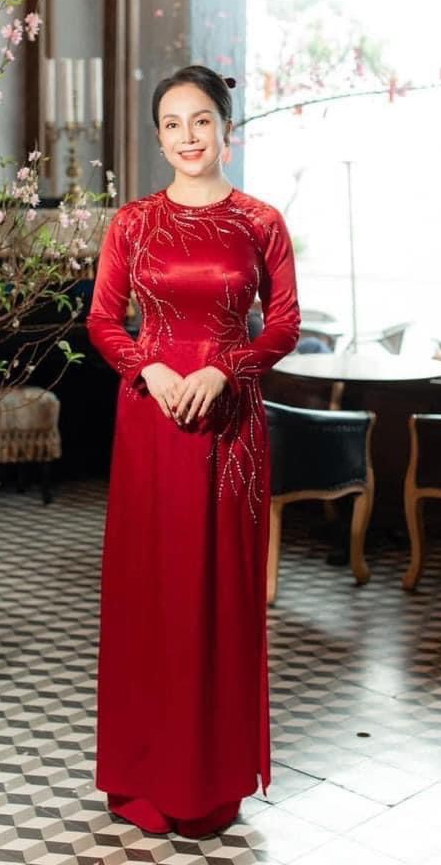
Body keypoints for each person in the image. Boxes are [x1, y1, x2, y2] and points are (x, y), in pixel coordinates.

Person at [86, 65, 300, 839]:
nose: (188, 137)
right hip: (151, 420)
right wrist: (149, 368)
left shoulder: (261, 222)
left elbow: (284, 323)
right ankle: (142, 775)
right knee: (149, 592)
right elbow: (103, 320)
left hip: (230, 423)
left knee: (218, 596)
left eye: (201, 120)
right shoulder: (133, 223)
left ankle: (208, 781)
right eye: (172, 124)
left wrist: (225, 367)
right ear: (158, 137)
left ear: (225, 129)